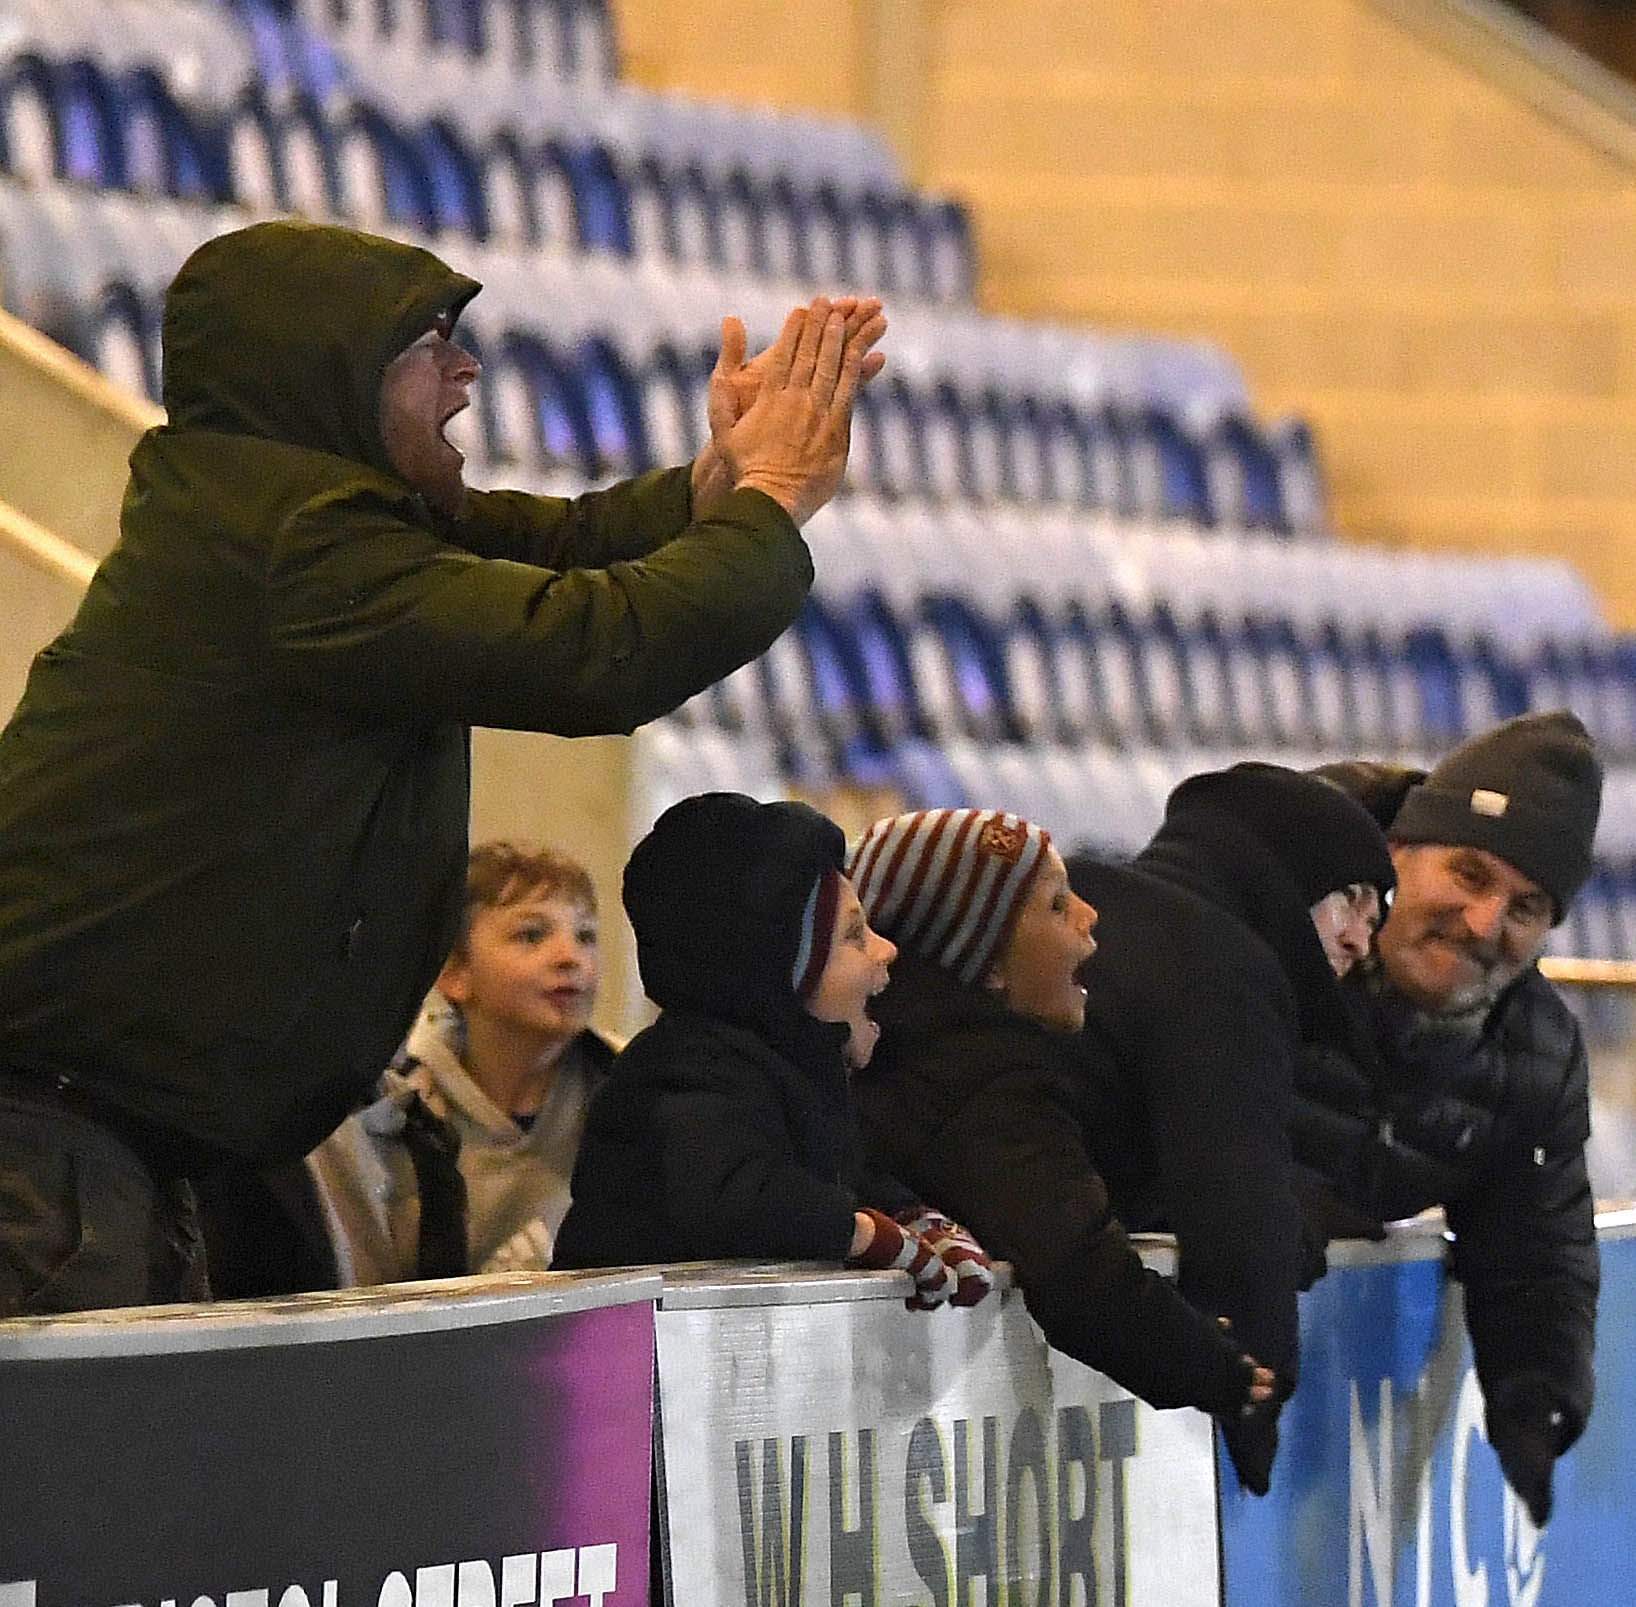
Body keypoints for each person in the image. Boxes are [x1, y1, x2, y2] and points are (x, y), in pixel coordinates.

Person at [0, 218, 876, 1317]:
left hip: (100, 1137)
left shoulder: (295, 522)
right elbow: (597, 648)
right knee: (69, 1484)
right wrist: (773, 500)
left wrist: (714, 491)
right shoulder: (296, 553)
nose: (465, 369)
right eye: (426, 344)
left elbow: (554, 549)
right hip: (50, 1148)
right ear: (325, 370)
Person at [848, 809, 1280, 1473]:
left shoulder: (923, 1059)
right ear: (983, 957)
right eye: (1055, 904)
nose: (1090, 913)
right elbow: (1075, 1265)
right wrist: (1211, 1366)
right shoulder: (983, 1081)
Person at [1294, 715, 1605, 1526]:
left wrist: (1537, 1403)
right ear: (1395, 853)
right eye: (1468, 875)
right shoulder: (1271, 936)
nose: (1483, 922)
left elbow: (1536, 1249)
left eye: (1526, 906)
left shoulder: (1535, 1050)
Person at [1057, 761, 1395, 1488]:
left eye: (1377, 917)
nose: (1362, 940)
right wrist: (1255, 1398)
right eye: (1353, 901)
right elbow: (1234, 1206)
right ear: (1285, 873)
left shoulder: (1076, 895)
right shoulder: (1225, 969)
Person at [553, 793, 987, 1310]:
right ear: (780, 974)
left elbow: (833, 1174)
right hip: (625, 1368)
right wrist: (867, 1235)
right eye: (853, 935)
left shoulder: (787, 1066)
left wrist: (911, 1215)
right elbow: (736, 1196)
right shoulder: (689, 1069)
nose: (885, 948)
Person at [297, 841, 616, 1283]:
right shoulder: (390, 1112)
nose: (570, 957)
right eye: (532, 935)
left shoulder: (626, 1090)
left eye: (586, 936)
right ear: (454, 974)